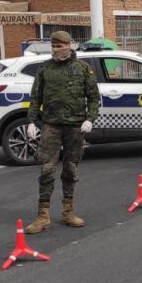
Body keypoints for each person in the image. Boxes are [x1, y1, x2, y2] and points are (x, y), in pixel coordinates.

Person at [24, 31, 100, 234]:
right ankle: (43, 216)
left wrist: (90, 119)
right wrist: (31, 121)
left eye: (60, 46)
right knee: (46, 169)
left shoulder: (83, 69)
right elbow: (35, 98)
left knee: (71, 169)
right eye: (54, 47)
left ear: (70, 45)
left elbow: (94, 98)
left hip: (75, 126)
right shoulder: (45, 69)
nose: (57, 50)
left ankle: (68, 212)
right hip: (51, 125)